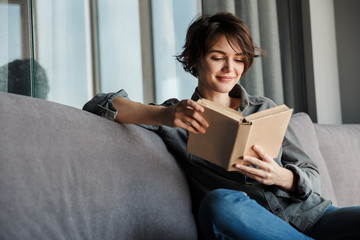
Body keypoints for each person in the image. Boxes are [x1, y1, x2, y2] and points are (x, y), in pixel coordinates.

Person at [83, 12, 360, 240]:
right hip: (252, 225)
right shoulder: (176, 117)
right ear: (194, 59)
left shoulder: (265, 108)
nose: (230, 67)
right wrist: (164, 115)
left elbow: (313, 175)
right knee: (218, 204)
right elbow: (100, 103)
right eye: (218, 57)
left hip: (316, 216)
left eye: (238, 59)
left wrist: (280, 176)